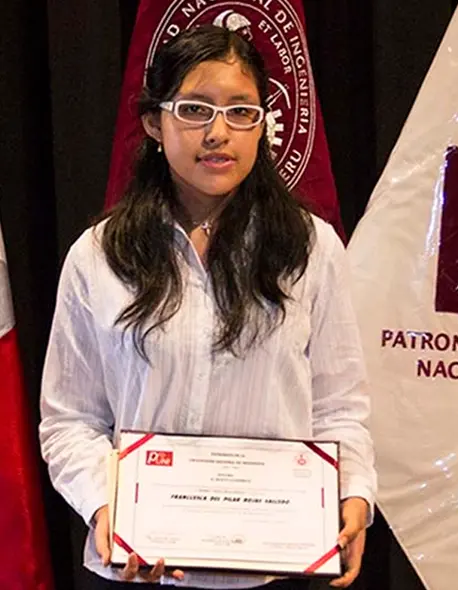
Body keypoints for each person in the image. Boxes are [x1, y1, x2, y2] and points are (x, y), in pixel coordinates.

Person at [38, 26, 375, 589]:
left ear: (264, 123)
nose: (219, 133)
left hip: (276, 569)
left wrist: (354, 492)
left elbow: (340, 407)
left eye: (241, 112)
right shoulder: (98, 256)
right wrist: (108, 509)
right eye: (195, 110)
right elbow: (71, 419)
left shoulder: (311, 248)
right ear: (153, 123)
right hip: (137, 569)